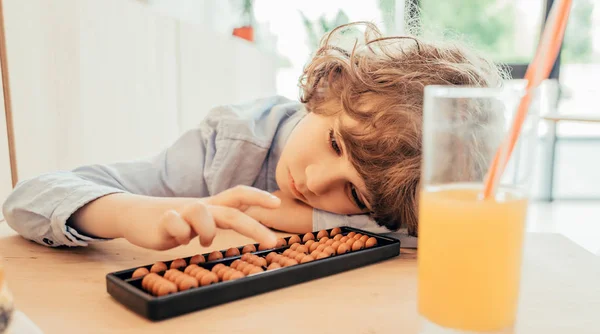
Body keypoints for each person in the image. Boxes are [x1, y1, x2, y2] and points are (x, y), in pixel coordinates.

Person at [2, 22, 504, 251]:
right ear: (330, 89)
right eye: (334, 143)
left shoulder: (405, 187)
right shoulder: (230, 145)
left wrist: (298, 217)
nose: (312, 179)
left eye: (353, 193)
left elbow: (444, 235)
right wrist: (131, 212)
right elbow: (30, 197)